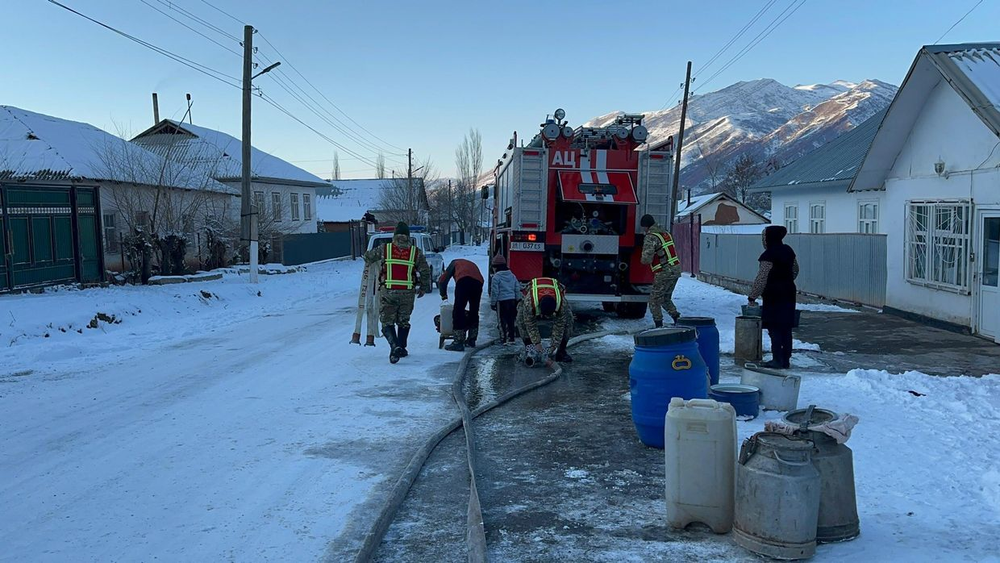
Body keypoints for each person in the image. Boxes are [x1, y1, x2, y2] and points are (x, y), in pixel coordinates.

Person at [363, 222, 432, 363]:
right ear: (408, 236)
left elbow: (367, 257)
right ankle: (402, 347)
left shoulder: (385, 249)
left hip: (388, 291)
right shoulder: (415, 252)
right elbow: (425, 271)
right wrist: (423, 287)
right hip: (407, 293)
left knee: (387, 321)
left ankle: (394, 346)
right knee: (403, 322)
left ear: (394, 236)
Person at [748, 225, 799, 369]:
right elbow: (795, 270)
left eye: (764, 237)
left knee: (775, 327)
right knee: (786, 327)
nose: (763, 240)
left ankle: (777, 359)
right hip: (789, 292)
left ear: (769, 238)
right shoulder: (788, 250)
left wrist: (753, 296)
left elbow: (762, 277)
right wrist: (786, 280)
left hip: (773, 294)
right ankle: (786, 359)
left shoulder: (768, 255)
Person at [515, 277, 574, 363]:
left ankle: (561, 352)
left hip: (554, 288)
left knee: (568, 319)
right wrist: (537, 343)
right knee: (521, 318)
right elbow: (530, 324)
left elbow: (559, 326)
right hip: (532, 291)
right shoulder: (529, 302)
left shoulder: (562, 305)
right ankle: (529, 348)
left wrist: (554, 346)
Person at [639, 214, 682, 327]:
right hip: (676, 270)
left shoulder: (651, 237)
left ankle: (658, 325)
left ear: (646, 226)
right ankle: (677, 319)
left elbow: (646, 260)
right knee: (665, 298)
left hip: (664, 272)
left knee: (654, 300)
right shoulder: (665, 233)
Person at [439, 257, 484, 352]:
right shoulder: (469, 263)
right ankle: (472, 339)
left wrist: (444, 296)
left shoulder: (454, 263)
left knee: (458, 310)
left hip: (463, 281)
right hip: (478, 283)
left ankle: (458, 342)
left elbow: (443, 280)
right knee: (474, 311)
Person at [489, 255, 520, 345]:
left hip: (501, 301)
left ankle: (503, 339)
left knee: (502, 321)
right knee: (511, 320)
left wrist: (493, 303)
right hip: (512, 301)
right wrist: (517, 299)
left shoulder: (496, 277)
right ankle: (511, 338)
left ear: (496, 267)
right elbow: (517, 288)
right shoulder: (512, 275)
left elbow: (495, 291)